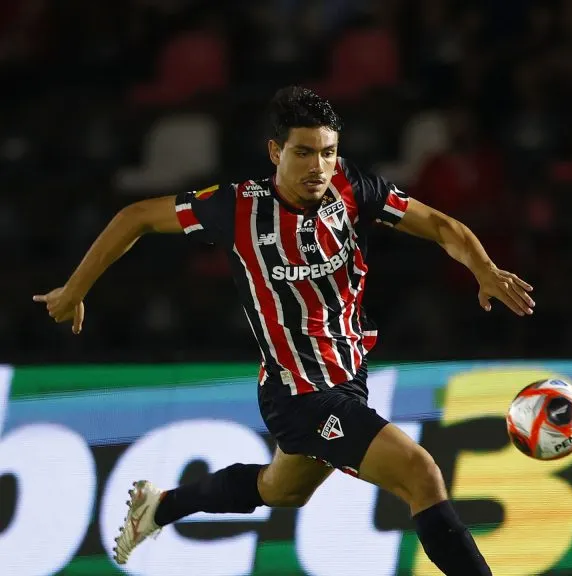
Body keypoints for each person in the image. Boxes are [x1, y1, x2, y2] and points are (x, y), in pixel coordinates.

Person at [32, 86, 535, 575]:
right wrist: (75, 290)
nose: (318, 166)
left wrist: (484, 269)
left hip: (346, 377)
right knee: (421, 474)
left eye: (328, 152)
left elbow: (441, 225)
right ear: (275, 152)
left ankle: (160, 507)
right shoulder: (235, 208)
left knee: (282, 490)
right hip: (300, 395)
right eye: (303, 152)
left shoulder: (351, 188)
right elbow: (135, 217)